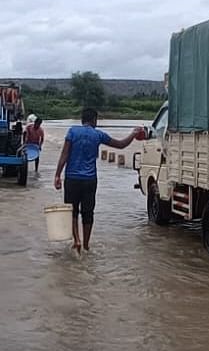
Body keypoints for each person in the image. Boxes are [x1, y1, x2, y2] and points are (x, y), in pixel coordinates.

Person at [54, 107, 143, 253]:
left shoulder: (72, 131)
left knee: (72, 211)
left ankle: (76, 240)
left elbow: (64, 154)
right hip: (90, 180)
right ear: (94, 120)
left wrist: (57, 175)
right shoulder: (98, 135)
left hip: (72, 178)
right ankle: (86, 245)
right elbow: (121, 145)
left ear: (82, 119)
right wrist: (133, 134)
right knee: (88, 213)